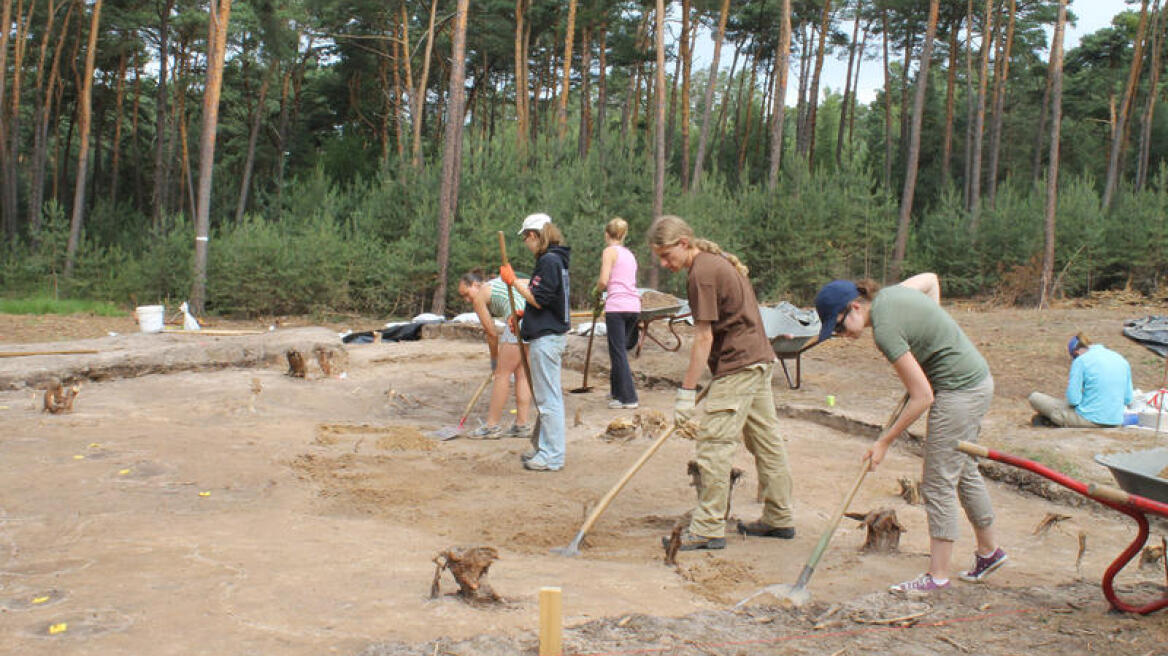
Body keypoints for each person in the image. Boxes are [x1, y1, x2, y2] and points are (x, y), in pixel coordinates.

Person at [814, 273, 1007, 594]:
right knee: (963, 470)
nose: (841, 335)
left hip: (959, 390)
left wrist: (884, 441)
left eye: (837, 326)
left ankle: (937, 576)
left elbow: (923, 397)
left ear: (855, 308)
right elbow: (931, 281)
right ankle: (990, 553)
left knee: (938, 480)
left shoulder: (885, 333)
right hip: (977, 381)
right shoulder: (893, 295)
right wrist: (932, 330)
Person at [647, 215, 795, 551]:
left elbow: (703, 338)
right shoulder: (715, 263)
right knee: (766, 442)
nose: (664, 263)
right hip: (757, 359)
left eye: (667, 255)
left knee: (713, 445)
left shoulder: (702, 273)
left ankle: (708, 527)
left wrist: (686, 392)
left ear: (684, 243)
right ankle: (779, 517)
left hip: (740, 365)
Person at [501, 213, 571, 472]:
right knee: (547, 398)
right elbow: (549, 301)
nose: (526, 243)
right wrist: (524, 314)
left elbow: (539, 298)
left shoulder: (550, 261)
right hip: (548, 333)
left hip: (547, 338)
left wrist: (513, 283)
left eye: (526, 238)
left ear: (533, 235)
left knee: (548, 399)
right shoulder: (556, 260)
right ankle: (545, 449)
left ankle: (552, 455)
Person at [457, 270, 533, 438]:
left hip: (518, 321)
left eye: (466, 294)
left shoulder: (480, 297)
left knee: (502, 374)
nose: (468, 300)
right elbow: (530, 281)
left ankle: (491, 426)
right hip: (534, 320)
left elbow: (491, 333)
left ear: (476, 285)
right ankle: (522, 424)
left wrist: (494, 361)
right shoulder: (500, 282)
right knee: (522, 374)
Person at [1028, 333, 1133, 428]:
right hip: (1116, 419)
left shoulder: (1081, 361)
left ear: (1076, 352)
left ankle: (1055, 420)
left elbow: (1073, 400)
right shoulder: (1121, 360)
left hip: (1091, 420)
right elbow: (1128, 399)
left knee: (1035, 397)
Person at [595, 217, 641, 410]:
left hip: (617, 306)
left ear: (607, 234)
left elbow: (604, 281)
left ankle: (629, 398)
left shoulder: (609, 252)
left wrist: (597, 292)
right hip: (633, 306)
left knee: (617, 352)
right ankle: (616, 392)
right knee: (620, 351)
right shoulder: (629, 254)